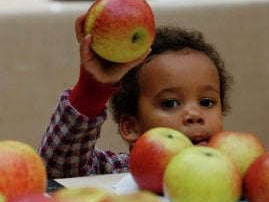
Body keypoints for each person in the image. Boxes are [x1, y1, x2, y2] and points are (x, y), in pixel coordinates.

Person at [38, 14, 233, 179]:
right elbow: (59, 167)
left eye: (207, 102)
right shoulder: (123, 172)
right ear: (132, 127)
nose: (194, 114)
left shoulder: (233, 171)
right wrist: (93, 88)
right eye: (170, 103)